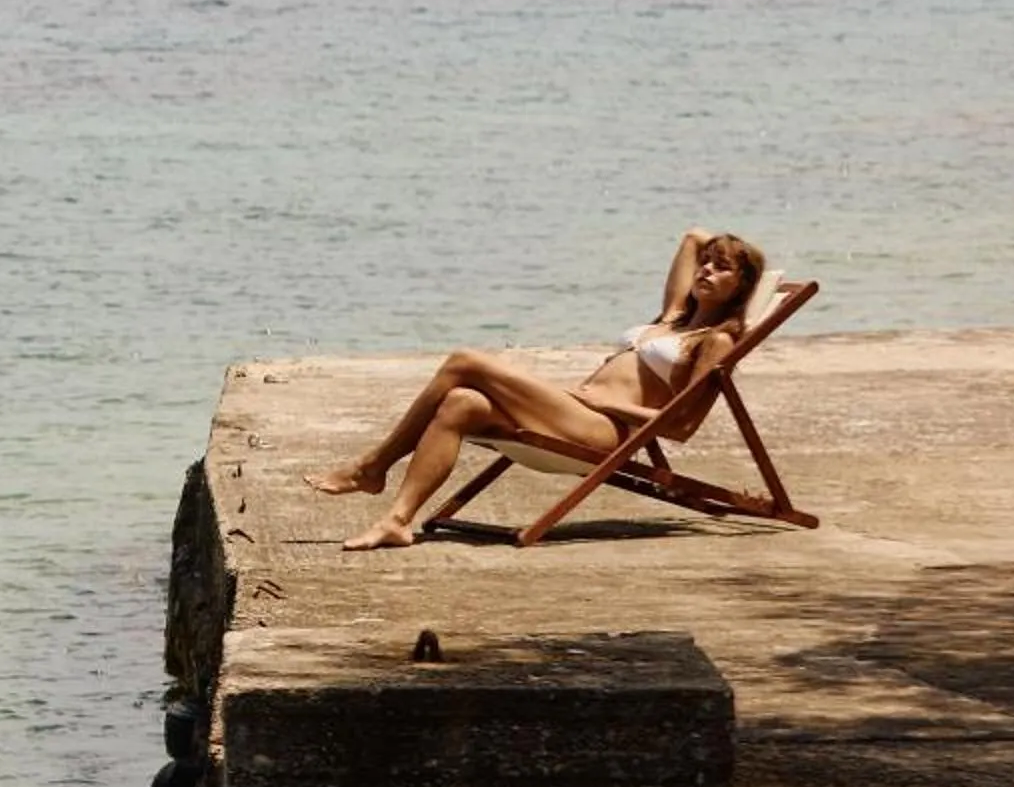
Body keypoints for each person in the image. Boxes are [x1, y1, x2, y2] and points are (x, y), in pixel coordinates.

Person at [305, 230, 768, 551]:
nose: (706, 269)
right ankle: (397, 521)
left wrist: (607, 402)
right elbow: (692, 237)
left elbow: (683, 427)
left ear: (740, 287)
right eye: (706, 263)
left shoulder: (715, 340)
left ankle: (372, 467)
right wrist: (720, 251)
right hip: (574, 413)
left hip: (605, 430)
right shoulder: (672, 318)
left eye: (722, 267)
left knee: (465, 361)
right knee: (462, 402)